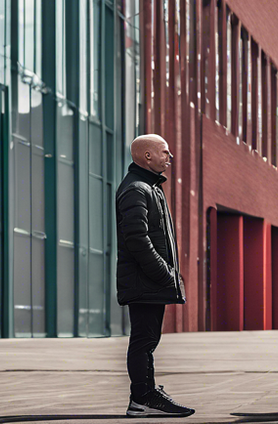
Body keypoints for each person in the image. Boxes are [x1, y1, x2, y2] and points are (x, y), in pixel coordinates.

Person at [116, 134, 194, 418]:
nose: (170, 156)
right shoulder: (137, 189)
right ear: (147, 156)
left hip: (147, 280)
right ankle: (144, 397)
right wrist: (163, 273)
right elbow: (136, 239)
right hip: (145, 281)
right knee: (144, 340)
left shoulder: (149, 188)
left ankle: (143, 394)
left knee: (147, 339)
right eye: (164, 152)